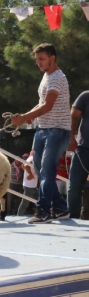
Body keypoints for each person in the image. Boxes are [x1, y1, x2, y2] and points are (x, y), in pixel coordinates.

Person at [11, 43, 71, 224]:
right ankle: (60, 208)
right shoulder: (46, 76)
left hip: (58, 130)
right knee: (40, 170)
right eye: (37, 59)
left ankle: (43, 211)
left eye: (42, 59)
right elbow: (41, 103)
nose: (38, 63)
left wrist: (26, 117)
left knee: (47, 170)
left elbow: (48, 106)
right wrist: (28, 116)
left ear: (53, 58)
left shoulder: (57, 78)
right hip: (42, 129)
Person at [67, 90, 89, 219]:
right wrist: (71, 138)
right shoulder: (86, 95)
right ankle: (72, 218)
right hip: (83, 149)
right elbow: (73, 116)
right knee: (74, 186)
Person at [18, 152, 39, 216]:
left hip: (32, 185)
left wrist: (30, 174)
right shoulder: (32, 158)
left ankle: (38, 214)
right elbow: (25, 165)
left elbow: (23, 165)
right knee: (25, 203)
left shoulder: (32, 158)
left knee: (38, 200)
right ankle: (19, 215)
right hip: (29, 186)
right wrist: (30, 174)